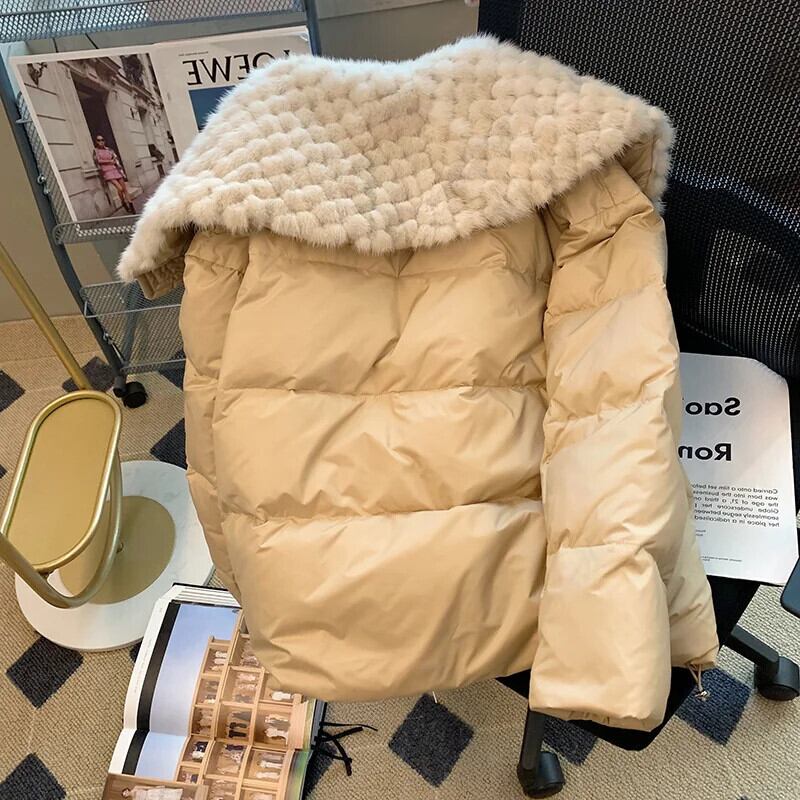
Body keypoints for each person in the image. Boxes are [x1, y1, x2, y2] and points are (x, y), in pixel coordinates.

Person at [92, 134, 135, 214]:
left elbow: (115, 157)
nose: (101, 142)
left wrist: (115, 161)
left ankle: (131, 206)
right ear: (96, 142)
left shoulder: (109, 149)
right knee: (120, 188)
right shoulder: (96, 151)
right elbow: (98, 160)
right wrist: (109, 161)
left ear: (104, 141)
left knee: (124, 188)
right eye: (99, 140)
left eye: (102, 140)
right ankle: (123, 202)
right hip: (107, 171)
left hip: (115, 169)